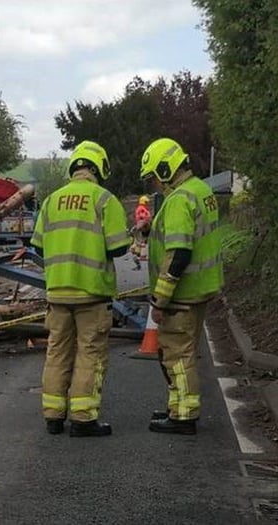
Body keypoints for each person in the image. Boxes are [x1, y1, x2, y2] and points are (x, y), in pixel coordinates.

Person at [31, 140, 130, 437]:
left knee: (57, 353)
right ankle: (83, 418)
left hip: (57, 293)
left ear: (74, 166)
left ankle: (53, 416)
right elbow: (119, 249)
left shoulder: (51, 201)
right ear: (98, 167)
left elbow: (37, 247)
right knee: (90, 354)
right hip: (92, 294)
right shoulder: (104, 200)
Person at [139, 138, 224, 435]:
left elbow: (178, 254)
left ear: (165, 168)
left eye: (154, 177)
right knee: (184, 351)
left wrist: (160, 300)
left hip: (182, 293)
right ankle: (178, 407)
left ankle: (183, 416)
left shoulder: (178, 200)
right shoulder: (201, 190)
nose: (154, 184)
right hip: (200, 289)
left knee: (177, 355)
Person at [130, 195, 152, 270]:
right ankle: (139, 262)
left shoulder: (141, 209)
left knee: (137, 248)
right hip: (142, 230)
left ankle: (138, 263)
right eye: (147, 202)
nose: (148, 204)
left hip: (141, 230)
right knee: (137, 247)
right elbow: (143, 220)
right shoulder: (142, 209)